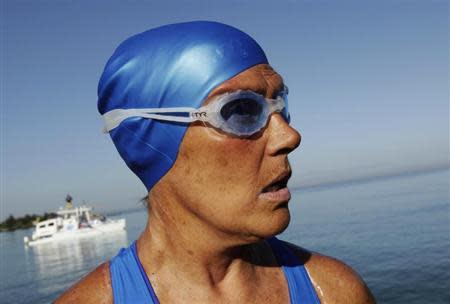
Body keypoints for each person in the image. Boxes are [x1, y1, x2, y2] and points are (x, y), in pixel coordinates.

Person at [56, 21, 375, 303]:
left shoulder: (335, 292)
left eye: (281, 105)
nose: (289, 136)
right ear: (150, 142)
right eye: (241, 111)